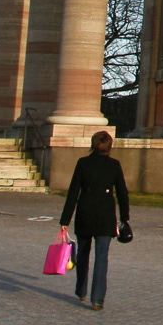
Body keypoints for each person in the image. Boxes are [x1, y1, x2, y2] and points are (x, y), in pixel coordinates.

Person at [58, 131, 130, 311]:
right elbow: (122, 193)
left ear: (92, 144)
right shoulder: (114, 165)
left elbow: (73, 192)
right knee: (101, 257)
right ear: (109, 146)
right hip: (105, 214)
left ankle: (81, 289)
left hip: (85, 211)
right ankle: (97, 299)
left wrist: (65, 219)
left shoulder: (83, 163)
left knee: (83, 252)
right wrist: (125, 218)